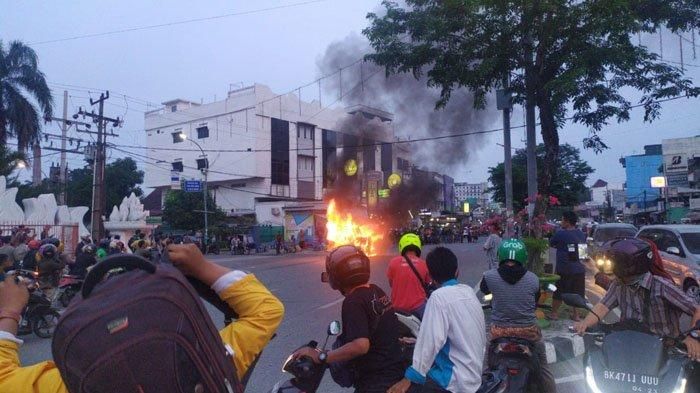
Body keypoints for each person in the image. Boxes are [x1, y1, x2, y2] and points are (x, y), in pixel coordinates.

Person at [0, 243, 285, 392]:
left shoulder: (65, 383)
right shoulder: (208, 359)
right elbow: (266, 310)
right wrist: (203, 267)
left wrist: (10, 311)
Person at [293, 245, 405, 392]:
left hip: (376, 380)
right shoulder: (376, 290)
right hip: (394, 370)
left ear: (336, 276)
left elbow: (360, 345)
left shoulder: (353, 301)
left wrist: (321, 356)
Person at [573, 238, 700, 367]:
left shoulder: (661, 286)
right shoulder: (618, 285)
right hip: (630, 347)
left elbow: (696, 309)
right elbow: (603, 306)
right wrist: (584, 323)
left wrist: (693, 337)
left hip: (663, 352)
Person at [388, 247, 486, 393]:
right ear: (457, 271)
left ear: (431, 277)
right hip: (474, 376)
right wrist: (417, 341)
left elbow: (431, 342)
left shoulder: (438, 297)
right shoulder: (469, 292)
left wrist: (409, 378)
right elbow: (459, 335)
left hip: (453, 381)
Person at [479, 239, 557, 393]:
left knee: (488, 367)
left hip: (498, 333)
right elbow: (534, 301)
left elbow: (485, 291)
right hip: (528, 333)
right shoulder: (533, 279)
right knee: (543, 368)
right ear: (523, 257)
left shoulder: (489, 276)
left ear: (501, 255)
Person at [549, 211, 586, 321]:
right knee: (577, 292)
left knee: (558, 291)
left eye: (563, 220)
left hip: (564, 269)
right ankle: (576, 315)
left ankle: (554, 314)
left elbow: (551, 243)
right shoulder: (581, 234)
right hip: (579, 269)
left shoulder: (560, 234)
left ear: (567, 222)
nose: (561, 222)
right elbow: (583, 253)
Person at [387, 233, 431, 319]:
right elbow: (427, 283)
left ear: (402, 246)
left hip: (397, 308)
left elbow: (391, 284)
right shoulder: (424, 264)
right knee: (430, 326)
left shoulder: (393, 262)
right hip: (418, 307)